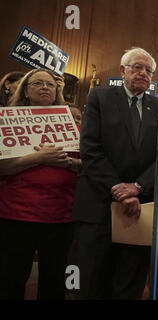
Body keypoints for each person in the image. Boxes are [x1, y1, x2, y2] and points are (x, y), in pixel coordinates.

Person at [69, 47, 158, 299]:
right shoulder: (99, 97)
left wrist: (138, 187)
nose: (144, 73)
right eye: (137, 67)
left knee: (129, 283)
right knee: (90, 282)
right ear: (122, 70)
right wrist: (119, 189)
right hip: (98, 205)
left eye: (149, 71)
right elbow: (90, 150)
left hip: (140, 208)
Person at [0, 68, 80, 299]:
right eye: (38, 83)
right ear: (25, 89)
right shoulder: (8, 121)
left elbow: (88, 165)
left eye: (50, 84)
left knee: (54, 281)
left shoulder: (70, 123)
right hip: (16, 215)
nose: (45, 87)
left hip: (60, 216)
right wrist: (37, 159)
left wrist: (68, 163)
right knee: (11, 279)